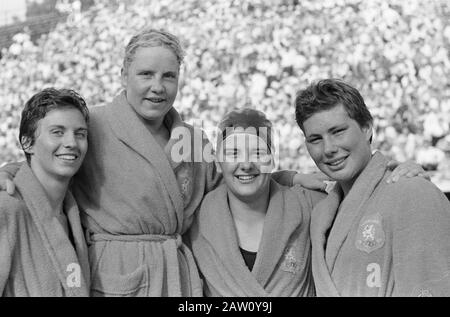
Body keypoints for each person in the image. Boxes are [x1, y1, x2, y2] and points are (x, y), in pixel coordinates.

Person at [0, 29, 428, 297]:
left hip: (177, 274)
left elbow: (238, 173)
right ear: (124, 75)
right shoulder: (92, 123)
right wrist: (7, 175)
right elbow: (49, 154)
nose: (157, 86)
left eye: (168, 76)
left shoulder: (192, 138)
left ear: (180, 79)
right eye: (146, 74)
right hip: (118, 274)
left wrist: (293, 175)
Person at [294, 79, 450, 297]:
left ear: (367, 128)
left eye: (338, 131)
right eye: (315, 139)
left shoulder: (413, 192)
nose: (328, 149)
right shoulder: (321, 208)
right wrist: (292, 177)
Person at [189, 108, 325, 296]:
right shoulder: (195, 222)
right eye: (234, 153)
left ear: (272, 160)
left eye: (258, 153)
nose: (246, 165)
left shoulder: (309, 206)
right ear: (219, 163)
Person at [0, 88, 90, 296]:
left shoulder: (77, 214)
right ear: (27, 142)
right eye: (57, 132)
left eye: (80, 134)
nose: (71, 143)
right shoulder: (6, 209)